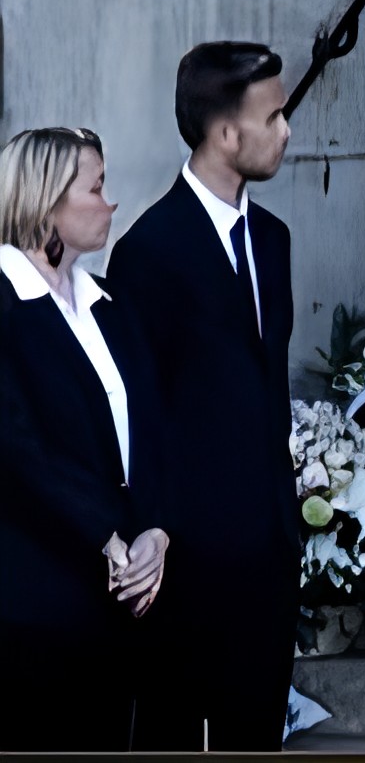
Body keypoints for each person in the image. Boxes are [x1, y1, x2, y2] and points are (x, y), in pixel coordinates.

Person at [106, 43, 304, 755]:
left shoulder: (273, 240)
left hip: (270, 557)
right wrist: (158, 529)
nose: (286, 131)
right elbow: (138, 414)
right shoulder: (148, 251)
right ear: (225, 132)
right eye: (272, 117)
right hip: (188, 565)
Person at [0, 127, 172, 754]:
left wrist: (157, 531)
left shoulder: (108, 304)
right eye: (96, 187)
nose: (110, 202)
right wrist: (106, 533)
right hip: (32, 603)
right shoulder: (5, 303)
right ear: (47, 199)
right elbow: (15, 446)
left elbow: (154, 432)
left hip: (117, 601)